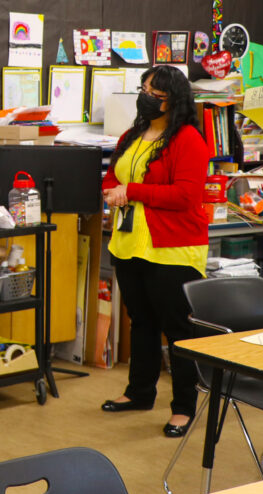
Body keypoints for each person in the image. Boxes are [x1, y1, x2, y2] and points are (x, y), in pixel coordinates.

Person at [100, 65, 209, 438]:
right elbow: (114, 174)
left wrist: (132, 191)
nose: (145, 96)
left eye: (154, 93)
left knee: (178, 330)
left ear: (173, 100)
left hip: (173, 248)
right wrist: (115, 187)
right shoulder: (134, 134)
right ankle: (140, 392)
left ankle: (183, 408)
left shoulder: (188, 138)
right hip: (131, 244)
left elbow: (186, 195)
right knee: (142, 321)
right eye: (143, 88)